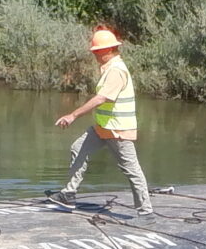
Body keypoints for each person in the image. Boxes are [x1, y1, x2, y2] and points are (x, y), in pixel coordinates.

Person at [52, 27, 152, 213]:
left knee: (131, 170)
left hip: (118, 131)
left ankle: (145, 210)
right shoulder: (109, 68)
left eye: (98, 51)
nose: (95, 55)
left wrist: (73, 115)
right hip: (103, 128)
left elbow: (101, 98)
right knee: (77, 148)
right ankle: (68, 194)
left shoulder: (116, 71)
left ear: (108, 50)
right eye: (95, 51)